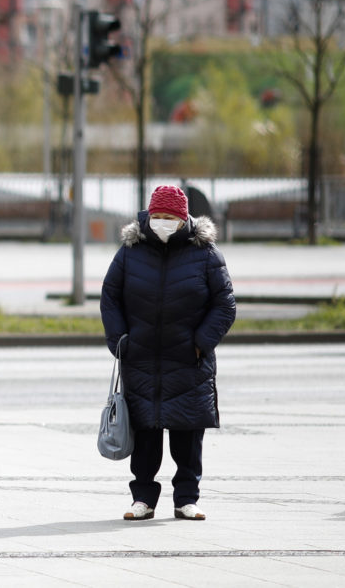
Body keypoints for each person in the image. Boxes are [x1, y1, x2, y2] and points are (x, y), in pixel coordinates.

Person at [100, 185, 236, 522]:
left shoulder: (205, 253)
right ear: (148, 215)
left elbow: (225, 304)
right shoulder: (130, 252)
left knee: (187, 436)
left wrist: (201, 342)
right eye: (157, 216)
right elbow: (110, 297)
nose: (162, 222)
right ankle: (142, 498)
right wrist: (120, 341)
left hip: (189, 362)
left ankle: (187, 498)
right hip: (142, 359)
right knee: (145, 434)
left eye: (169, 217)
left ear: (183, 219)